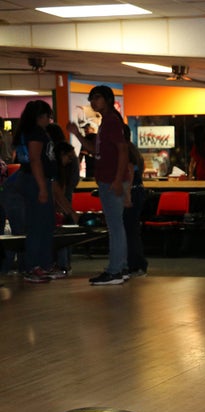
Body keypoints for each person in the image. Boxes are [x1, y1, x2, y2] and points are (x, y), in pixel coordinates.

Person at [67, 85, 130, 286]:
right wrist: (77, 134)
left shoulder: (111, 121)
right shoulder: (107, 122)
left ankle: (115, 271)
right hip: (110, 179)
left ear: (108, 100)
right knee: (117, 226)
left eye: (97, 98)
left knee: (115, 227)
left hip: (111, 180)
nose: (93, 102)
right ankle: (121, 268)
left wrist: (118, 180)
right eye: (91, 99)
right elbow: (95, 150)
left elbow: (123, 151)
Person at [12, 100, 58, 283]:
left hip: (32, 180)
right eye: (48, 116)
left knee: (44, 223)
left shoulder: (27, 131)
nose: (50, 120)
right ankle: (34, 266)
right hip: (35, 181)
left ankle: (44, 264)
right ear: (41, 116)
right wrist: (41, 187)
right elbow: (35, 160)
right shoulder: (36, 133)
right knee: (39, 225)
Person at [122, 124, 148, 277]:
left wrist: (127, 195)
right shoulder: (133, 149)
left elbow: (129, 171)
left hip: (132, 191)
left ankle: (135, 264)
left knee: (129, 229)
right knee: (132, 230)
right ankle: (138, 263)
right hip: (138, 190)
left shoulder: (124, 149)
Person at [52, 141, 81, 277]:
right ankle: (62, 265)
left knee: (60, 234)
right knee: (62, 235)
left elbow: (58, 194)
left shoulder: (57, 170)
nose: (70, 162)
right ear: (61, 154)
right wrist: (70, 211)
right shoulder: (56, 171)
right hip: (52, 207)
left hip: (53, 208)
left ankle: (61, 264)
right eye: (69, 158)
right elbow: (58, 193)